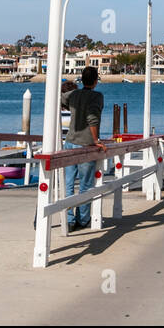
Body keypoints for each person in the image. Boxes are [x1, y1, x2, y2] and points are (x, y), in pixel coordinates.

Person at [61, 66, 105, 231]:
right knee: (86, 184)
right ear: (95, 81)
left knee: (69, 182)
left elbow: (60, 98)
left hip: (70, 140)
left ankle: (69, 219)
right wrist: (96, 140)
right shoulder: (97, 96)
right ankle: (83, 218)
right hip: (86, 143)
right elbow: (92, 119)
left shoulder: (74, 94)